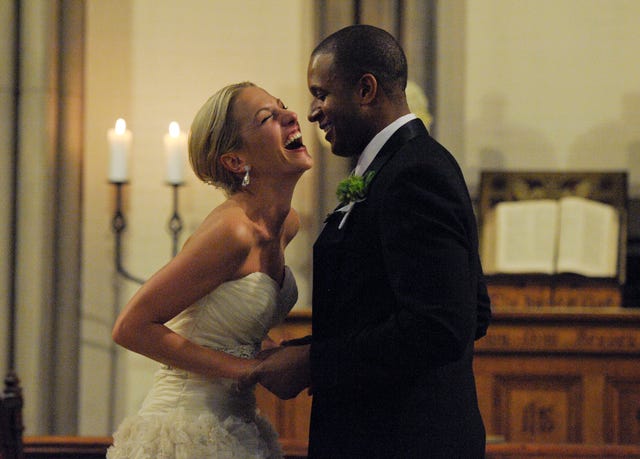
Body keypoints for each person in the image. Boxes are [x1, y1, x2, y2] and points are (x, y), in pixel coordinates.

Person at [244, 25, 492, 458]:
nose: (314, 111)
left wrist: (313, 364)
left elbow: (441, 326)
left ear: (365, 89)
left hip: (403, 441)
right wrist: (305, 350)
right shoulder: (394, 167)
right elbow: (472, 311)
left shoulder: (414, 174)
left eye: (321, 94)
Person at [106, 81, 313, 459]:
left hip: (238, 427)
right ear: (236, 161)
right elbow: (131, 327)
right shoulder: (231, 231)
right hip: (183, 430)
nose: (290, 115)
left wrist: (271, 355)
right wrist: (247, 370)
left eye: (282, 107)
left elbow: (229, 328)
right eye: (268, 117)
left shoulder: (288, 224)